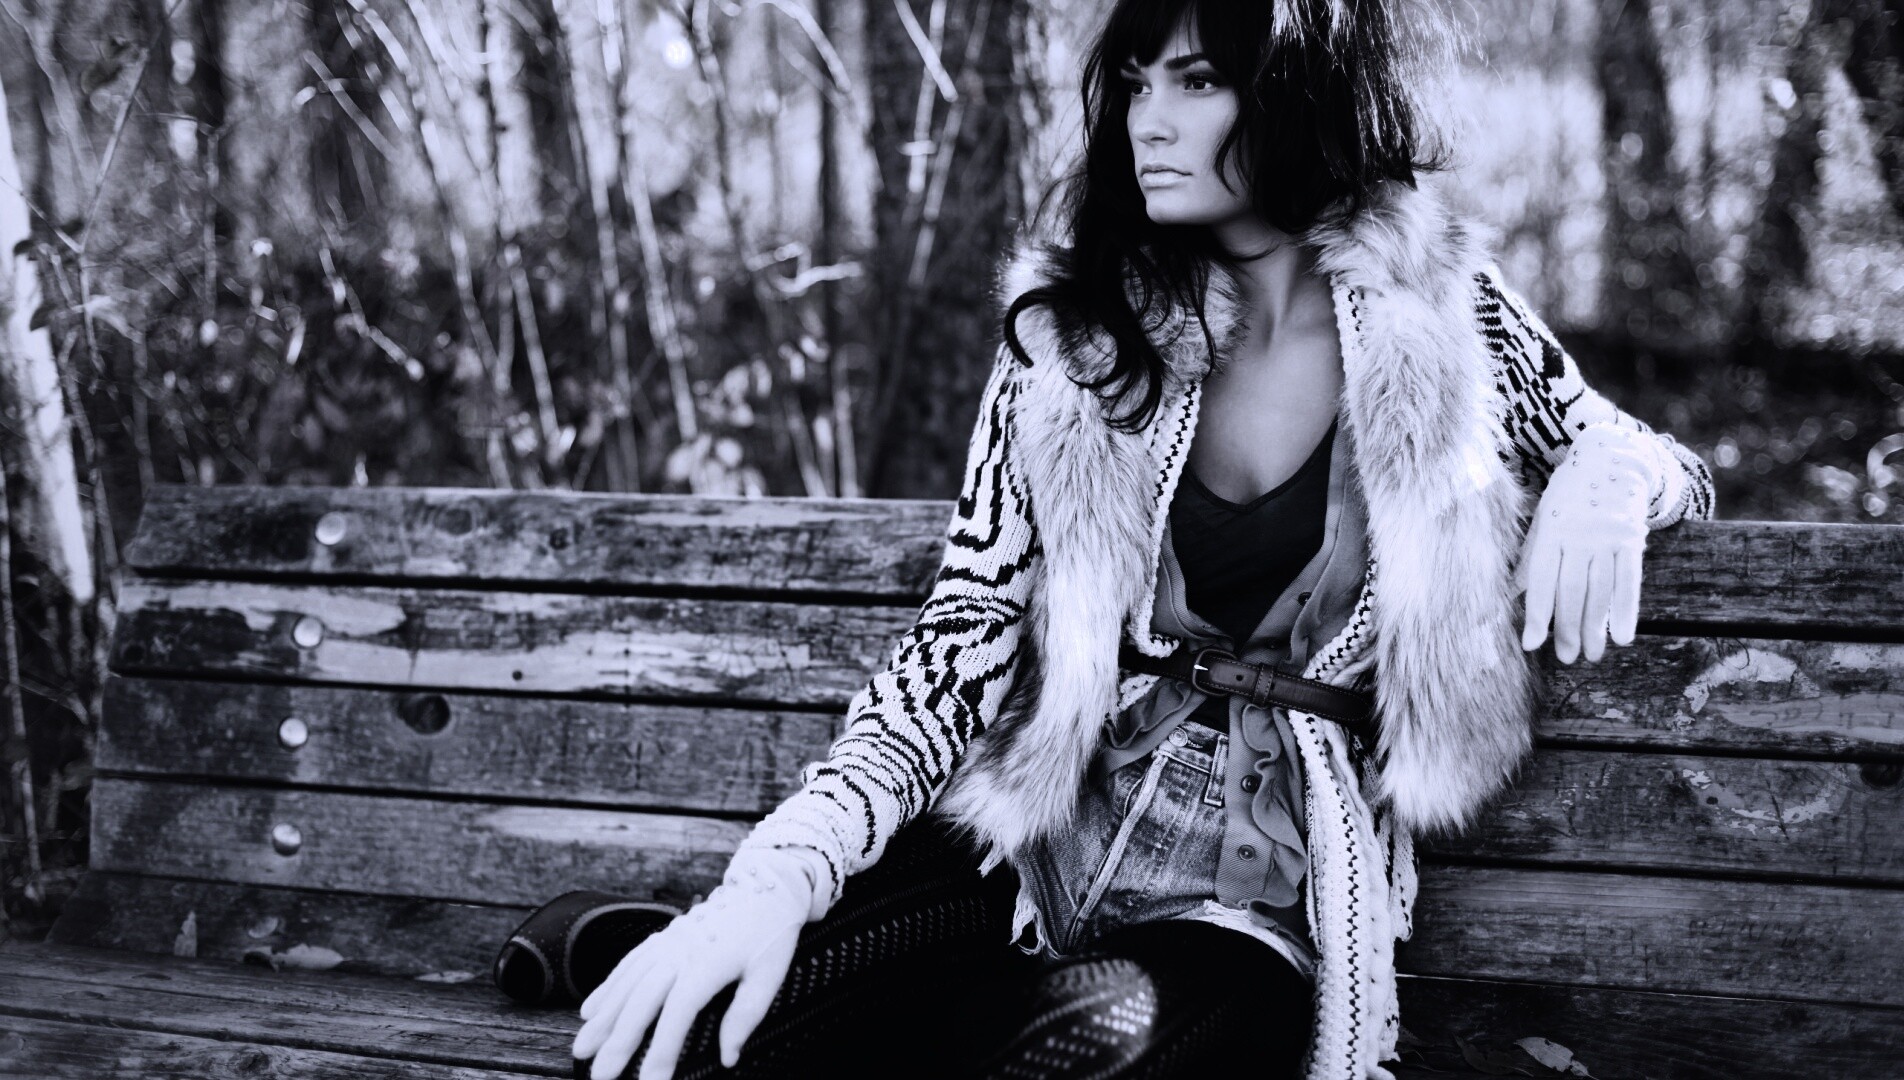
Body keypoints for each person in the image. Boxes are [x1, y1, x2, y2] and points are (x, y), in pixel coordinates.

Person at [566, 1, 1716, 1077]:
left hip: (1247, 901)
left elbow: (1651, 458)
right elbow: (964, 626)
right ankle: (652, 945)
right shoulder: (1079, 331)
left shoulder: (1439, 314)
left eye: (1197, 81)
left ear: (1297, 91)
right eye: (1133, 82)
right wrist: (778, 876)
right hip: (1028, 848)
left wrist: (1608, 482)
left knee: (1075, 1051)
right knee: (699, 1033)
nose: (1146, 121)